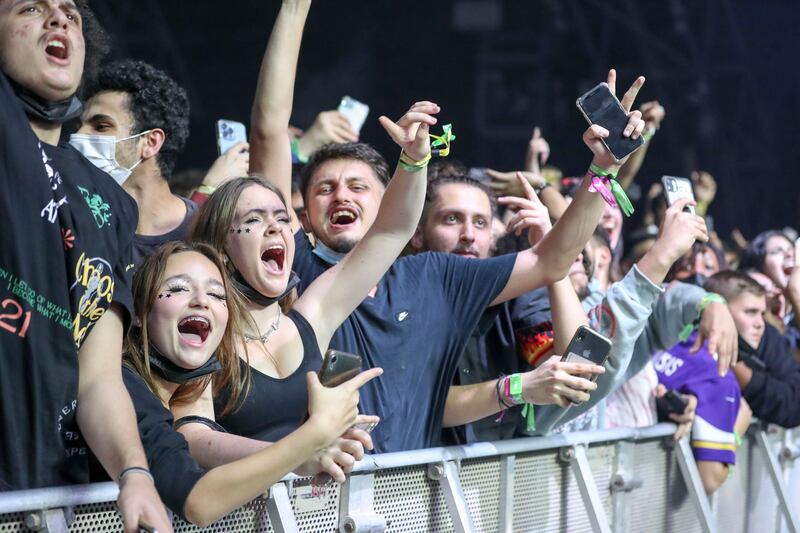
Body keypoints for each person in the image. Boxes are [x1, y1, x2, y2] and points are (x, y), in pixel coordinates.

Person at [260, 60, 648, 450]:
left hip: (414, 500)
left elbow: (553, 261)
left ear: (386, 205)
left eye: (357, 186)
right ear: (305, 215)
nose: (342, 195)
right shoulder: (297, 270)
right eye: (326, 188)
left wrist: (604, 168)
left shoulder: (433, 277)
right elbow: (268, 132)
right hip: (318, 504)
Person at [176, 0, 435, 458]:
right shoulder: (203, 324)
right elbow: (190, 439)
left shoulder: (309, 315)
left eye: (282, 219)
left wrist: (414, 160)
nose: (277, 229)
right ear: (220, 245)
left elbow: (393, 229)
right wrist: (295, 9)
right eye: (253, 221)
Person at [0, 2, 171, 531]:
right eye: (31, 7)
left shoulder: (110, 200)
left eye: (70, 14)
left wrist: (134, 473)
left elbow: (98, 376)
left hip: (53, 497)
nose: (59, 20)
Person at [121, 241, 378, 525]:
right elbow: (198, 502)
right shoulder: (124, 386)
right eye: (180, 288)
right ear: (139, 312)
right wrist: (314, 436)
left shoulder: (180, 395)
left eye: (217, 294)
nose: (201, 301)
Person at [408, 174, 605, 443]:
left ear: (492, 235)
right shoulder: (397, 295)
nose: (468, 235)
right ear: (418, 233)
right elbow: (413, 404)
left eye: (480, 223)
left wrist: (552, 259)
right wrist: (515, 388)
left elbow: (580, 364)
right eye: (451, 219)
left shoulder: (511, 298)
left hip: (494, 477)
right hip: (409, 479)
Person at [72, 59, 202, 267]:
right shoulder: (75, 228)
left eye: (101, 126)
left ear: (150, 142)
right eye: (80, 126)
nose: (78, 135)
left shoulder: (205, 231)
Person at [705, 271, 800, 428]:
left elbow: (794, 404)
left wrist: (743, 374)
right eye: (750, 312)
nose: (760, 323)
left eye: (762, 313)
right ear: (721, 311)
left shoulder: (768, 336)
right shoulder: (692, 344)